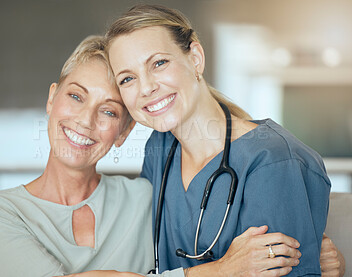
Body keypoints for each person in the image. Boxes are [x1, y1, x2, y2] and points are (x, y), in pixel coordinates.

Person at [0, 35, 300, 277]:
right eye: (76, 97)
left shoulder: (146, 198)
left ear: (123, 132)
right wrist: (221, 272)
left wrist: (306, 250)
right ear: (52, 100)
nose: (85, 120)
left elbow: (220, 236)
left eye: (108, 112)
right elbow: (222, 266)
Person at [105, 4, 343, 276]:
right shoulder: (159, 149)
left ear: (195, 58)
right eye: (127, 79)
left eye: (159, 63)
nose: (146, 87)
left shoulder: (273, 162)